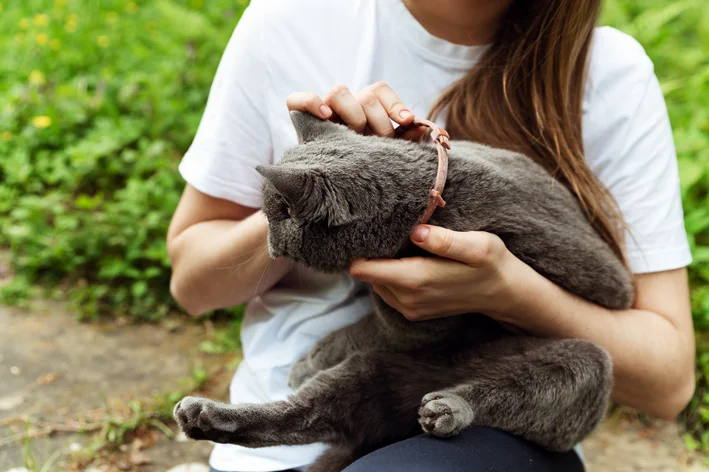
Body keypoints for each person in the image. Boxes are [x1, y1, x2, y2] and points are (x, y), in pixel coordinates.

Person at [166, 0, 696, 470]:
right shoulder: (294, 20)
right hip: (288, 422)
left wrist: (511, 293)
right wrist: (339, 180)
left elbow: (668, 382)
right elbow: (193, 286)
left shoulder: (608, 71)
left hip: (483, 432)